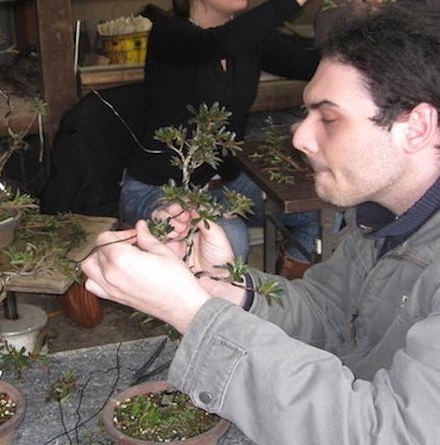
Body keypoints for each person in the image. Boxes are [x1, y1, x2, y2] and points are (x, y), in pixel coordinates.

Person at [81, 4, 440, 444]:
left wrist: (192, 313)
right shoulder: (406, 203)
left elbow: (389, 435)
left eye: (329, 117)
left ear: (416, 127)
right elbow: (329, 311)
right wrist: (219, 289)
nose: (300, 135)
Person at [120, 0, 321, 276]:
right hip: (161, 188)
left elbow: (311, 64)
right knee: (230, 238)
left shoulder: (250, 38)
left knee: (313, 214)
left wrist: (364, 21)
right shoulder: (170, 33)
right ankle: (197, 309)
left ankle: (289, 301)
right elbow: (217, 43)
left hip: (224, 184)